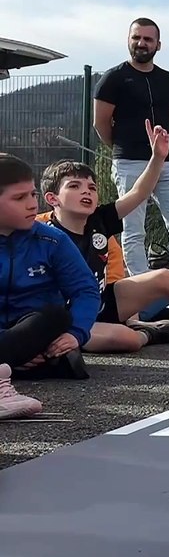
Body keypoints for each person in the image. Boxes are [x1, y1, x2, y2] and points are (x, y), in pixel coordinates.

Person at [37, 123, 169, 353]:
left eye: (91, 187)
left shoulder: (100, 220)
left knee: (166, 277)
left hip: (103, 302)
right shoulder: (43, 233)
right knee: (126, 339)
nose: (87, 191)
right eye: (75, 186)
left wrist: (158, 157)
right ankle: (147, 332)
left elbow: (139, 193)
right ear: (52, 198)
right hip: (70, 318)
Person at [0, 153, 101, 418]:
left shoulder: (52, 240)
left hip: (36, 332)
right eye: (19, 198)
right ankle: (11, 365)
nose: (32, 204)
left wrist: (75, 334)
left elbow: (85, 290)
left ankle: (9, 364)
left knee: (57, 316)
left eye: (32, 195)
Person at [92, 17, 169, 276]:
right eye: (136, 37)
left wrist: (160, 150)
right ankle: (140, 290)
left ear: (158, 45)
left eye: (148, 39)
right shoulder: (113, 78)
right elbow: (101, 123)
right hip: (129, 163)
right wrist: (121, 148)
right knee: (134, 230)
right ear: (128, 40)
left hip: (167, 163)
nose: (141, 43)